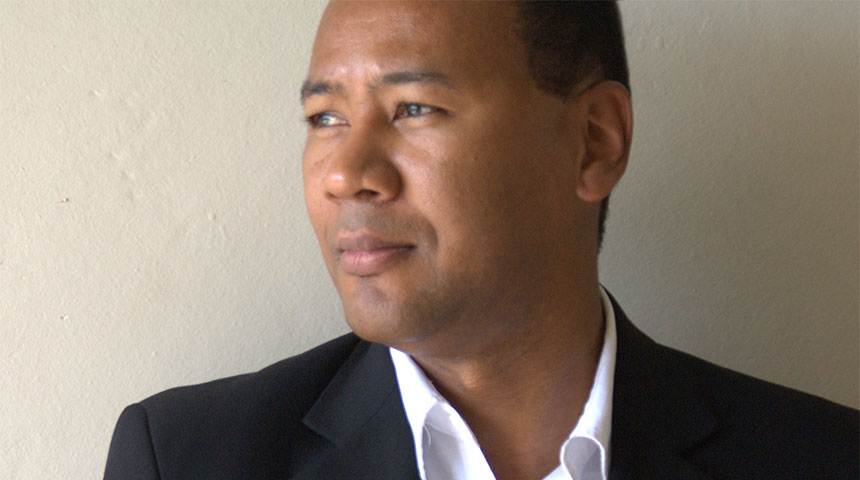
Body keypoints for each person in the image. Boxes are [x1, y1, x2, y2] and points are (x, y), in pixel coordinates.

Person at [104, 2, 858, 479]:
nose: (345, 174)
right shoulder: (187, 459)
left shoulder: (821, 458)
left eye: (415, 108)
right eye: (325, 118)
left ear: (593, 142)